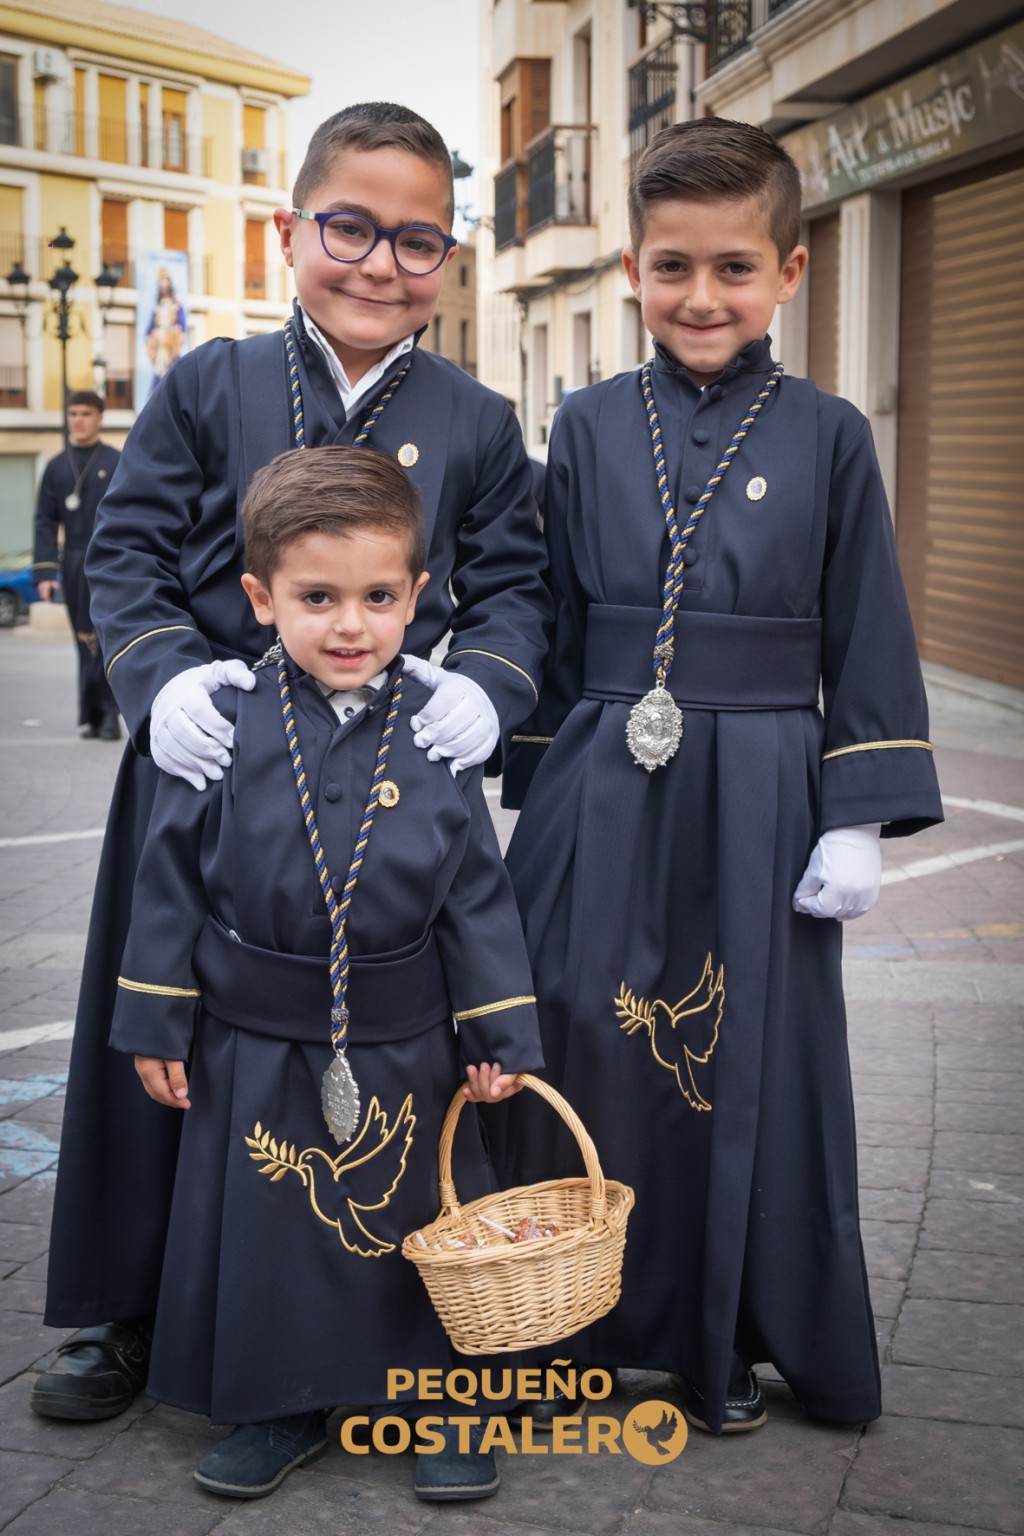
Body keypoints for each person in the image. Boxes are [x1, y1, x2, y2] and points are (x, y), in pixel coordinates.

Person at [31, 102, 549, 1424]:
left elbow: (512, 593)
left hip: (390, 775)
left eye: (418, 240)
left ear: (451, 257)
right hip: (212, 760)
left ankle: (395, 1318)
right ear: (291, 231)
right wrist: (159, 680)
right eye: (351, 228)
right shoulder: (206, 384)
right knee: (167, 1034)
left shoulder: (483, 422)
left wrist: (486, 692)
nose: (381, 263)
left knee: (388, 1061)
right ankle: (126, 1307)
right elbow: (127, 554)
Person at [494, 118, 943, 1438]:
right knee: (579, 1033)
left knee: (747, 1059)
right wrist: (530, 780)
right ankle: (569, 1319)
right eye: (674, 266)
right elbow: (556, 618)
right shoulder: (580, 424)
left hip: (763, 791)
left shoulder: (831, 434)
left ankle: (730, 1334)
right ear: (631, 268)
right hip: (600, 779)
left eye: (735, 269)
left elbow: (868, 624)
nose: (702, 296)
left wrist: (859, 817)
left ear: (791, 275)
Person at [108, 444, 542, 1501]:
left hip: (408, 1041)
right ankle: (276, 1402)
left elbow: (476, 897)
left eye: (378, 597)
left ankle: (434, 1403)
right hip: (252, 1041)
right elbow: (170, 881)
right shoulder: (220, 721)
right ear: (260, 598)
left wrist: (500, 1038)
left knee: (416, 1227)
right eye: (317, 597)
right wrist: (157, 1021)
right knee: (270, 1229)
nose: (350, 625)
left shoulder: (437, 735)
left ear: (417, 596)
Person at [32, 391, 121, 741]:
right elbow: (44, 521)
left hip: (108, 559)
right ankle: (92, 714)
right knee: (82, 641)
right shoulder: (55, 466)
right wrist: (44, 573)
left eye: (86, 413)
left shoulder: (116, 461)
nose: (78, 420)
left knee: (107, 638)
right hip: (71, 560)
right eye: (72, 413)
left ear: (99, 418)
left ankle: (112, 713)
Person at [143, 267, 187, 395]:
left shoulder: (176, 306)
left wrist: (172, 335)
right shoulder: (156, 307)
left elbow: (181, 327)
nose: (163, 286)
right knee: (159, 377)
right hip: (159, 345)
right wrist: (155, 336)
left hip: (170, 344)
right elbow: (150, 330)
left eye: (165, 282)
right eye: (161, 283)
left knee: (172, 375)